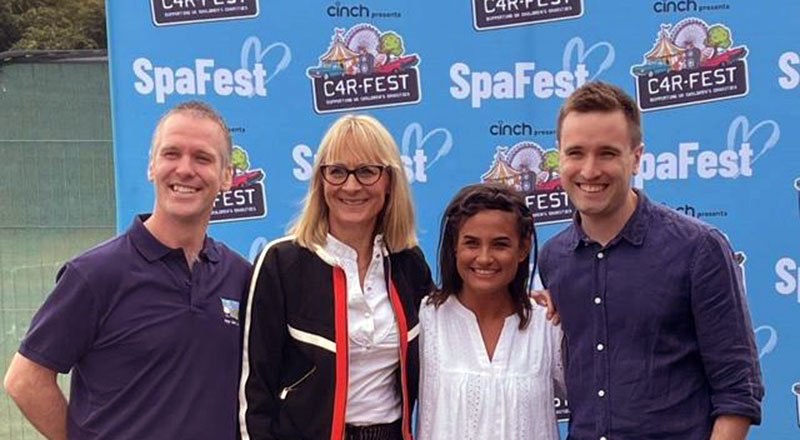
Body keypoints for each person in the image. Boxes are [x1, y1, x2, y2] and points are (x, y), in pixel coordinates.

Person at [3, 101, 251, 440]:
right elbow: (25, 379)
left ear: (227, 176)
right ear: (152, 166)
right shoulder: (95, 274)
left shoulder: (241, 276)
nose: (184, 169)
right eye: (171, 154)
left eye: (203, 158)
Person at [538, 81, 763, 439]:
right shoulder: (553, 257)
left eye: (608, 153)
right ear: (559, 157)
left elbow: (738, 391)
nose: (590, 170)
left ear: (637, 157)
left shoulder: (698, 248)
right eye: (576, 152)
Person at [239, 114, 432, 440]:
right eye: (337, 171)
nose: (351, 186)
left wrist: (523, 303)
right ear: (320, 181)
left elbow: (456, 323)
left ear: (389, 182)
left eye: (367, 171)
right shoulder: (280, 263)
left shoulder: (408, 264)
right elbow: (253, 391)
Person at [417, 183, 564, 440]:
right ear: (454, 246)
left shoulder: (547, 324)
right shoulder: (426, 319)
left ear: (523, 248)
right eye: (471, 244)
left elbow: (599, 402)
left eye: (500, 245)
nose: (484, 258)